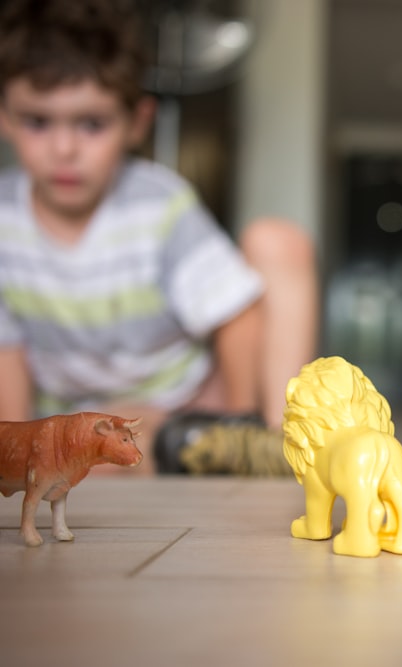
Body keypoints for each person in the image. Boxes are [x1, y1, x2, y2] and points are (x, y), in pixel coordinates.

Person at [0, 0, 318, 474]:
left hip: (190, 399)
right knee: (94, 447)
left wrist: (232, 420)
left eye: (91, 124)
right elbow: (8, 354)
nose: (63, 149)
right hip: (91, 421)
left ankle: (272, 443)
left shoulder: (158, 204)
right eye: (38, 121)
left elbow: (238, 315)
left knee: (279, 240)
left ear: (138, 122)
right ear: (4, 116)